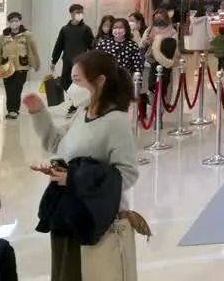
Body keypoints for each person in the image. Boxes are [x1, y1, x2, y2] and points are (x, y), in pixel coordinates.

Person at [24, 50, 140, 280]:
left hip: (96, 219)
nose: (71, 86)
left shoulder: (115, 122)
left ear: (100, 81)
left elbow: (127, 174)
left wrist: (75, 179)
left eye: (77, 80)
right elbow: (57, 143)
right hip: (68, 213)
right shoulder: (83, 112)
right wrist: (38, 112)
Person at [0, 12, 39, 120]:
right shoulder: (3, 36)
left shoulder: (27, 35)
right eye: (12, 21)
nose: (14, 23)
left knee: (16, 88)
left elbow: (33, 51)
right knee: (9, 89)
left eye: (16, 21)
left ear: (20, 21)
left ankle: (14, 110)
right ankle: (11, 110)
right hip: (6, 67)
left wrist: (36, 64)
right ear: (9, 23)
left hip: (21, 67)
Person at [51, 4, 94, 116]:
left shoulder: (86, 29)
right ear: (71, 14)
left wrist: (93, 59)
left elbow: (92, 45)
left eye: (81, 12)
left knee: (79, 83)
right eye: (76, 12)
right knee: (66, 82)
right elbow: (59, 45)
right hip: (67, 60)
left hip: (81, 61)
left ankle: (75, 105)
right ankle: (74, 101)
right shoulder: (65, 29)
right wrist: (53, 60)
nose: (79, 14)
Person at [144, 11, 179, 102]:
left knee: (167, 81)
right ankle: (153, 100)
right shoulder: (153, 29)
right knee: (152, 81)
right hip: (153, 59)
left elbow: (175, 46)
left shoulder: (172, 31)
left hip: (167, 59)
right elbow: (148, 42)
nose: (158, 20)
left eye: (160, 17)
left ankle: (166, 100)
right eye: (156, 18)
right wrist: (147, 41)